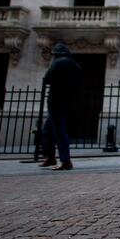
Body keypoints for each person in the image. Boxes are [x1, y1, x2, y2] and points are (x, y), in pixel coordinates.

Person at [39, 42, 81, 170]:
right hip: (67, 100)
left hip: (56, 100)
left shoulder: (58, 62)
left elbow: (47, 79)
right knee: (48, 130)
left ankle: (65, 161)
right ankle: (50, 157)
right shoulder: (75, 64)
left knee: (58, 131)